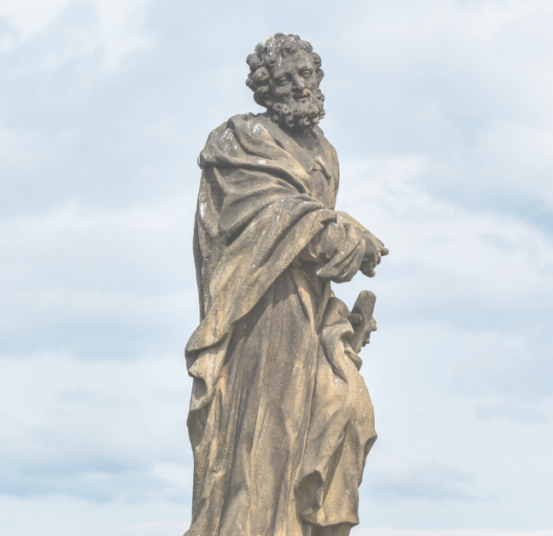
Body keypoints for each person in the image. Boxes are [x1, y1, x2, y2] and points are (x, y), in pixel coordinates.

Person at [184, 33, 388, 536]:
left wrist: (341, 313)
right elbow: (256, 216)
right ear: (264, 89)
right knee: (264, 435)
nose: (299, 85)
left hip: (312, 307)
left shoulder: (326, 153)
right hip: (260, 308)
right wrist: (339, 232)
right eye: (285, 79)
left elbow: (312, 227)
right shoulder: (239, 139)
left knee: (349, 414)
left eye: (306, 75)